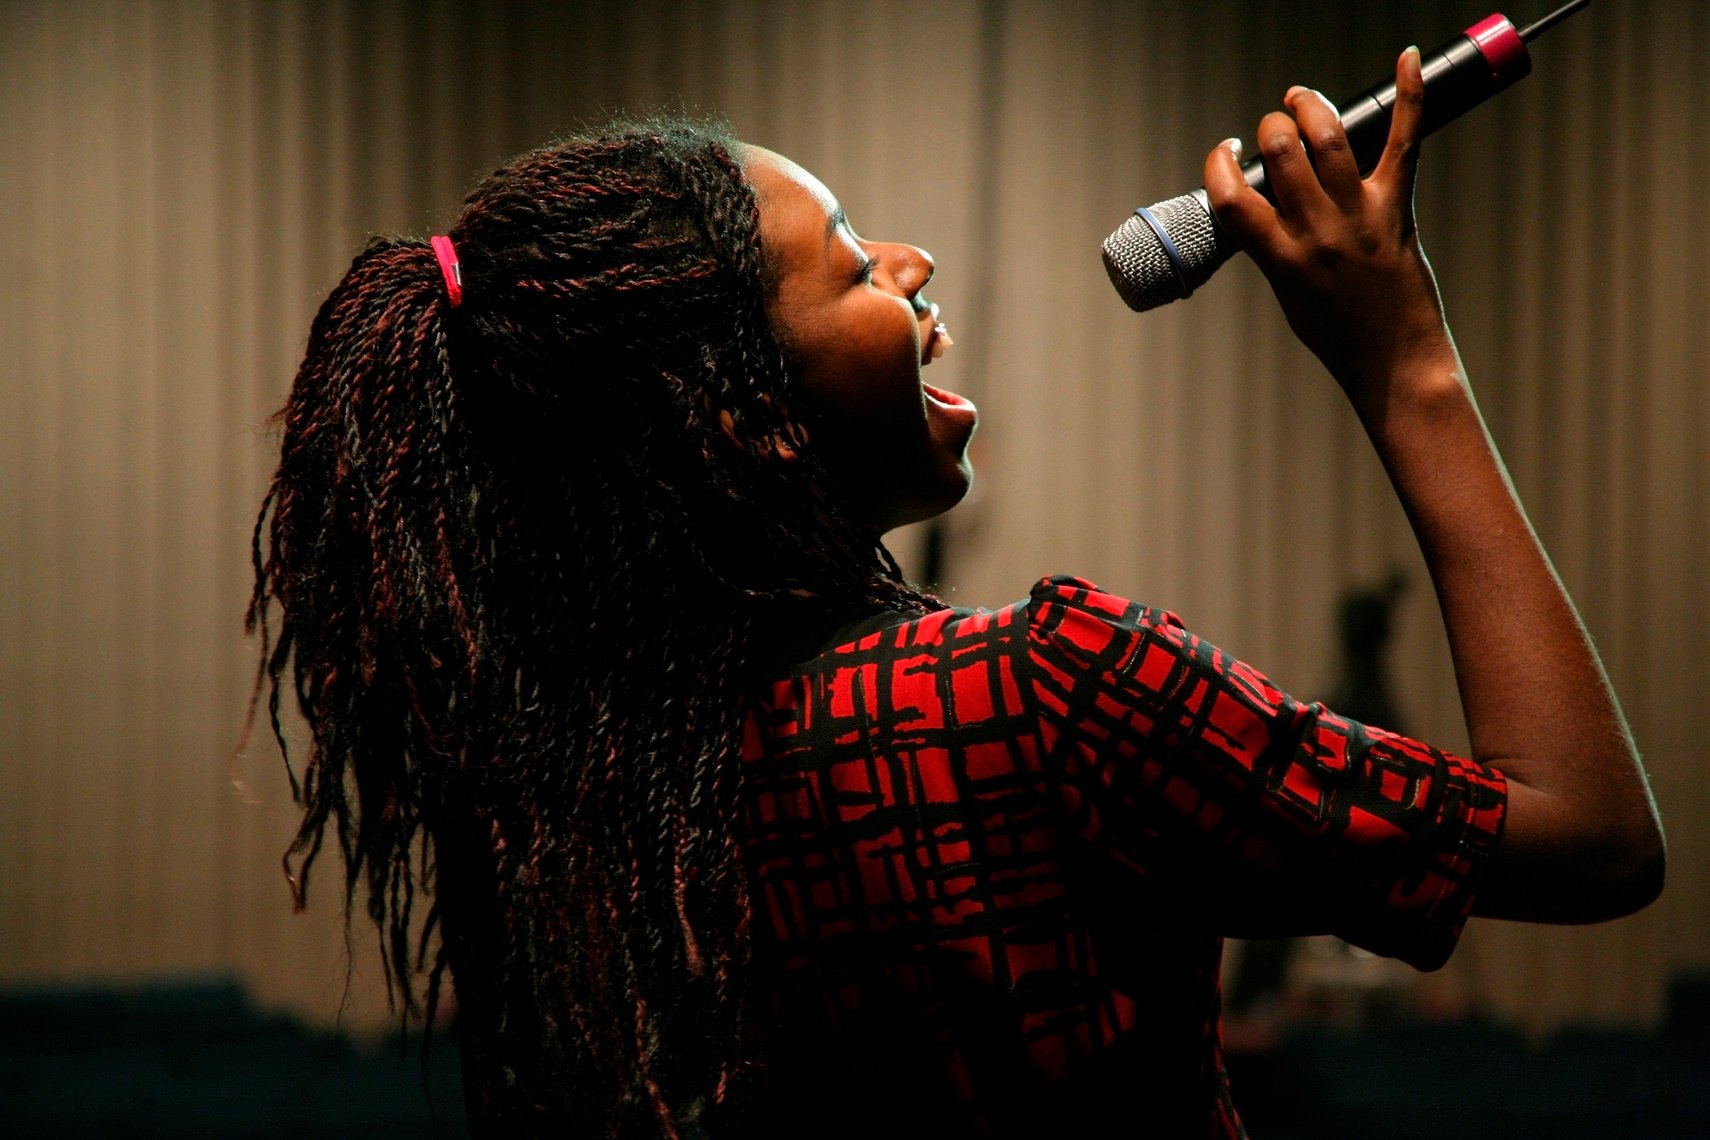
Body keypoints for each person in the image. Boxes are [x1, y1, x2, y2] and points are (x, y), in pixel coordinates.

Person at [248, 49, 1663, 1139]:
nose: (914, 267)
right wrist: (1402, 358)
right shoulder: (1050, 693)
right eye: (855, 261)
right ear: (735, 418)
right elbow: (1592, 838)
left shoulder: (577, 798)